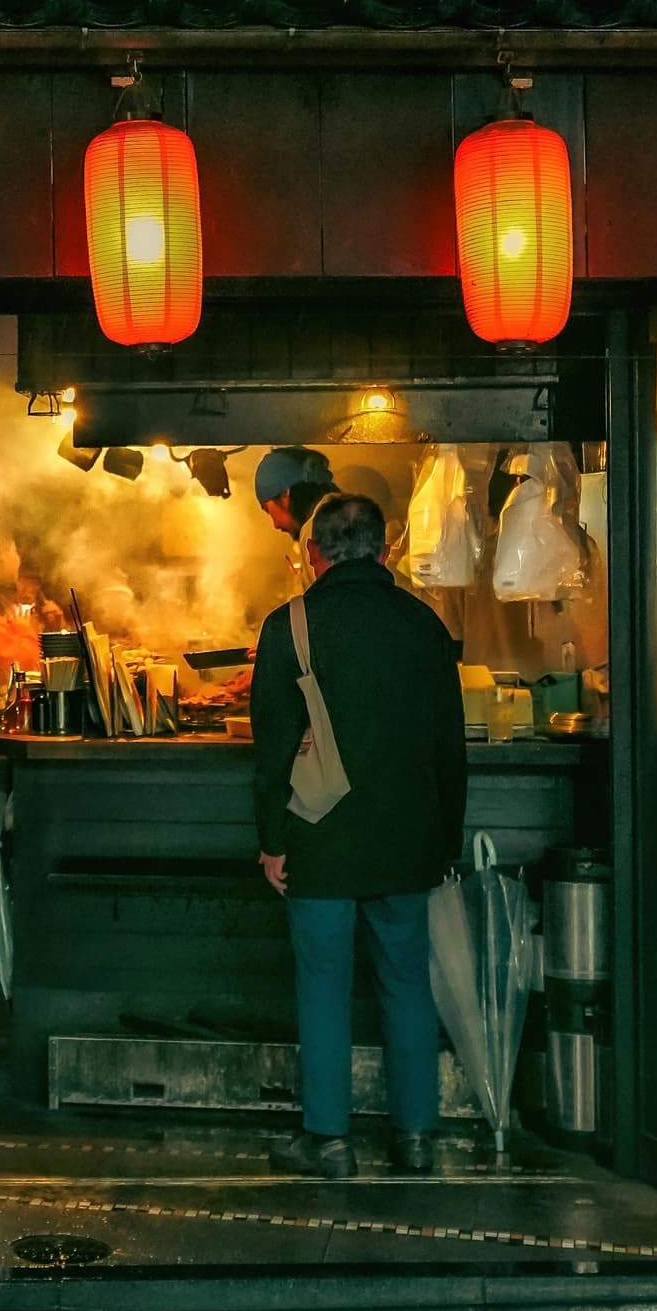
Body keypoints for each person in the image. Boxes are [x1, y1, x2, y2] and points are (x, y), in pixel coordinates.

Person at [250, 491, 467, 1180]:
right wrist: (446, 841)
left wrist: (272, 840)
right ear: (386, 550)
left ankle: (330, 1142)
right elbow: (447, 748)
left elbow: (272, 747)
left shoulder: (290, 625)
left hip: (319, 834)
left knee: (323, 986)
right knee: (407, 984)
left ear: (315, 554)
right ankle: (417, 1138)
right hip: (408, 839)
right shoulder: (424, 626)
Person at [253, 447, 340, 561]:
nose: (276, 525)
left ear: (285, 492)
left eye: (268, 510)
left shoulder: (325, 539)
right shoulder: (341, 517)